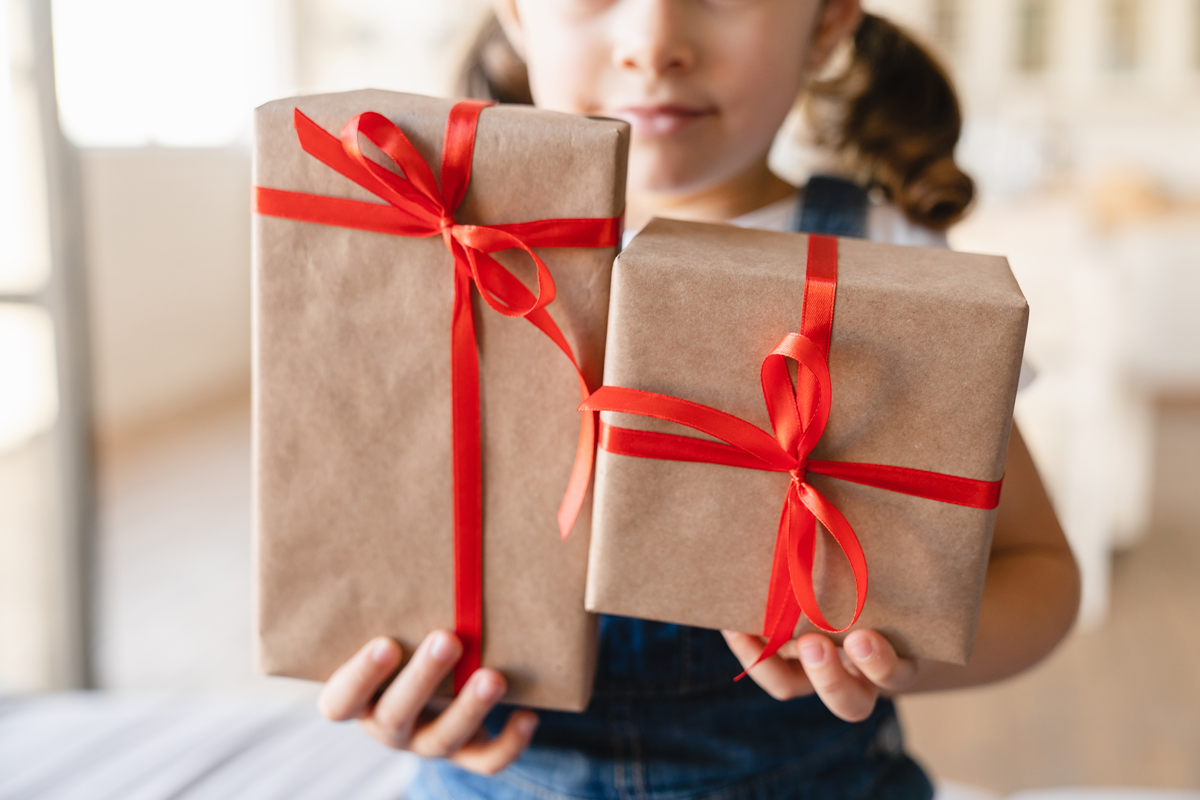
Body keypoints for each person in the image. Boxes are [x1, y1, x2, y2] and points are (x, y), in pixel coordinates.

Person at [315, 2, 1081, 798]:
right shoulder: (444, 244)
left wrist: (897, 657)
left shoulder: (885, 262)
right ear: (516, 15)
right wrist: (404, 692)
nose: (654, 44)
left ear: (825, 23)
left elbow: (1040, 572)